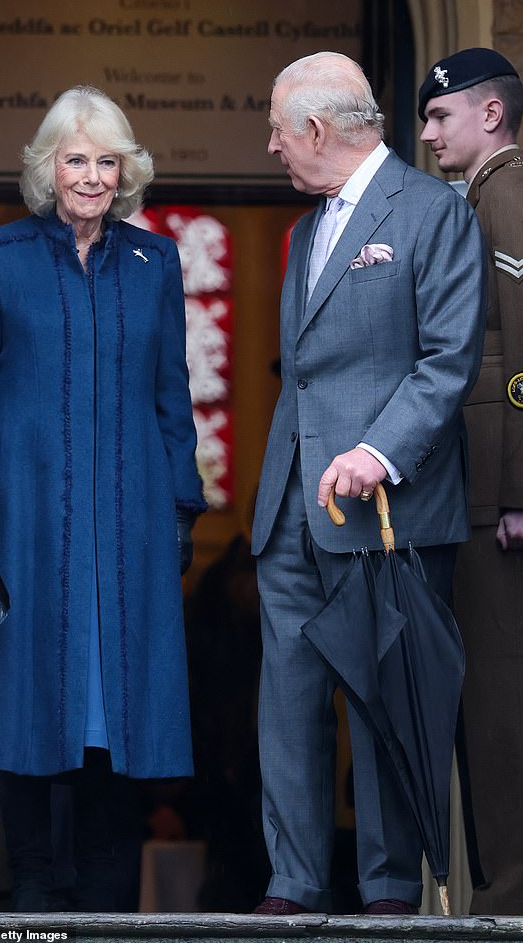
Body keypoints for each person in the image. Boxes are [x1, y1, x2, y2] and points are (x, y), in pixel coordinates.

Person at [0, 85, 207, 912]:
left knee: (117, 737)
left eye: (106, 161)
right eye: (75, 159)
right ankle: (33, 902)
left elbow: (173, 402)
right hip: (28, 533)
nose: (91, 176)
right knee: (26, 718)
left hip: (128, 539)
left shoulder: (155, 264)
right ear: (48, 168)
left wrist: (181, 511)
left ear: (126, 172)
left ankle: (109, 914)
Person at [250, 52, 486, 916]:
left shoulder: (432, 212)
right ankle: (294, 882)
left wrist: (378, 452)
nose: (271, 146)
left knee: (385, 703)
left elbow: (449, 359)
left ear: (316, 129)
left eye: (278, 130)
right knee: (288, 703)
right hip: (291, 507)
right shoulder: (308, 228)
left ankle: (389, 894)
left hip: (389, 509)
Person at [419, 47, 523, 915]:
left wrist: (517, 490)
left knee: (497, 710)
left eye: (439, 116)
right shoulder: (483, 196)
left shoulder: (508, 195)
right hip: (484, 491)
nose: (427, 133)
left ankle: (508, 900)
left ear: (490, 115)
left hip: (499, 499)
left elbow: (521, 354)